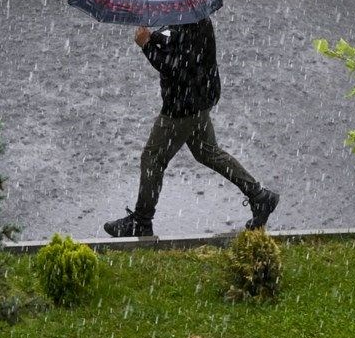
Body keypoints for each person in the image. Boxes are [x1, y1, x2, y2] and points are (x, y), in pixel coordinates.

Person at [103, 17, 279, 237]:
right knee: (207, 152)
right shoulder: (191, 17)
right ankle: (260, 197)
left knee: (152, 158)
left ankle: (141, 221)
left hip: (182, 106)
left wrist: (147, 45)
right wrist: (153, 36)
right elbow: (174, 40)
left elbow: (176, 68)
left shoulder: (192, 23)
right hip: (197, 100)